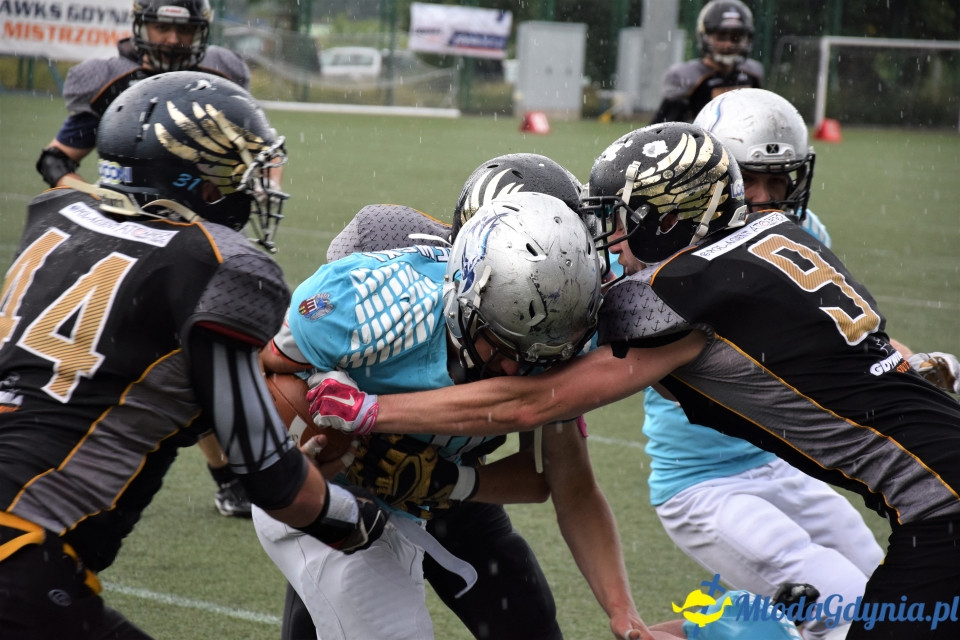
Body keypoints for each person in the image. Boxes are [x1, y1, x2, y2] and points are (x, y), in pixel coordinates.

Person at [308, 122, 960, 639]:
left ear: (668, 218)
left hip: (938, 504)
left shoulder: (686, 291)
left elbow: (536, 403)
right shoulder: (782, 232)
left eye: (620, 220)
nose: (609, 240)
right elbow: (873, 347)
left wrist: (372, 413)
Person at [0, 71, 386, 639]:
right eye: (239, 171)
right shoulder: (217, 266)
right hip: (20, 550)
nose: (254, 188)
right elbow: (271, 480)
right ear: (200, 182)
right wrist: (362, 521)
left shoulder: (55, 217)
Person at [257, 190, 651, 639]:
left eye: (537, 358)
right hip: (342, 491)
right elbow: (257, 372)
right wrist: (288, 455)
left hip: (448, 484)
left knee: (528, 623)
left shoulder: (554, 323)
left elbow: (561, 482)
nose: (514, 369)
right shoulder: (370, 302)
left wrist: (446, 481)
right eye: (502, 346)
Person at [635, 88, 885, 640]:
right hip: (702, 483)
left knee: (886, 589)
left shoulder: (803, 233)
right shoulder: (673, 240)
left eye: (780, 180)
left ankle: (673, 634)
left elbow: (848, 330)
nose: (767, 197)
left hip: (781, 462)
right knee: (845, 606)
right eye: (750, 179)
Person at [35, 0, 257, 518]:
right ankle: (235, 474)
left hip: (194, 233)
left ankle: (230, 474)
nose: (174, 40)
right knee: (174, 354)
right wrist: (99, 198)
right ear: (140, 26)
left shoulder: (219, 76)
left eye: (185, 30)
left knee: (196, 351)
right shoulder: (110, 81)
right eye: (163, 26)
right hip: (129, 240)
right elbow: (54, 160)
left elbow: (253, 154)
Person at [649, 0, 762, 125]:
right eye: (721, 36)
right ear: (705, 36)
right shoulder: (686, 76)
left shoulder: (752, 73)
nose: (729, 44)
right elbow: (661, 129)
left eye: (736, 37)